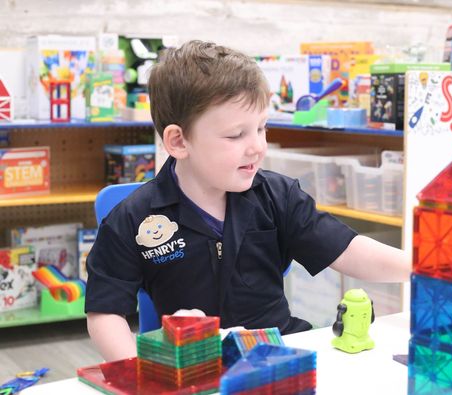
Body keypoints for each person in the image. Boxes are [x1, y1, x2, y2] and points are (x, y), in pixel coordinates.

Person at [85, 40, 410, 362]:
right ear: (179, 141)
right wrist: (140, 374)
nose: (257, 147)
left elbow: (347, 251)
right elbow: (105, 313)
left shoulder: (278, 196)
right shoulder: (132, 219)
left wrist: (423, 266)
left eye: (261, 128)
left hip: (279, 354)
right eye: (236, 135)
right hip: (196, 364)